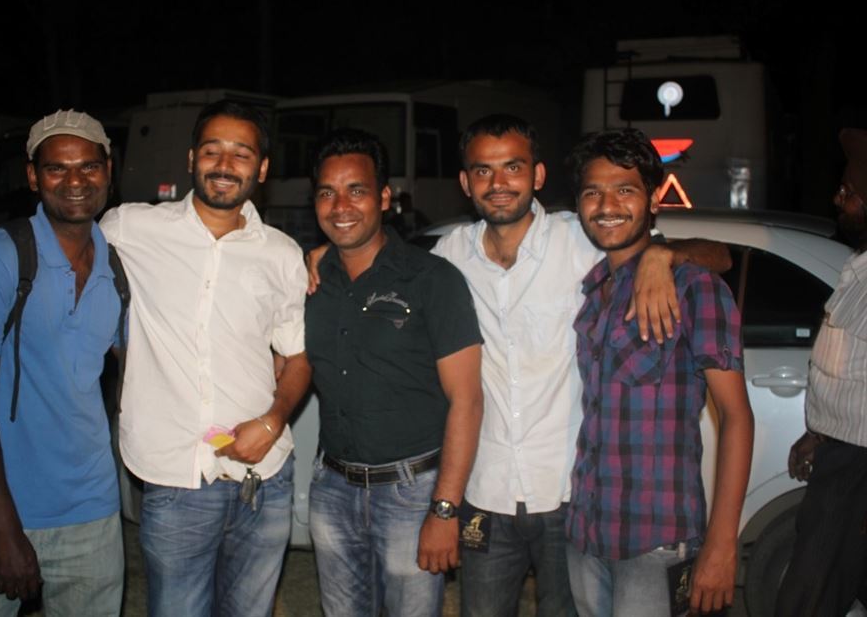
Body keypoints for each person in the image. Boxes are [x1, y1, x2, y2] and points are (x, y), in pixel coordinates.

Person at [430, 115, 731, 617]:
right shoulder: (449, 255)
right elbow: (391, 272)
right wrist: (327, 256)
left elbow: (717, 256)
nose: (498, 183)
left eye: (513, 167)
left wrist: (662, 254)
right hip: (487, 488)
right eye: (483, 170)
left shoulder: (580, 237)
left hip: (569, 493)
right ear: (465, 182)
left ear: (538, 175)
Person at [99, 100, 311, 617]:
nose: (225, 164)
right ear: (193, 157)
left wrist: (273, 421)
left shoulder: (282, 254)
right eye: (213, 150)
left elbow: (299, 355)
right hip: (176, 477)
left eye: (242, 154)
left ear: (262, 168)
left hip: (264, 476)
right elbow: (60, 248)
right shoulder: (130, 228)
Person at [0, 110, 124, 616]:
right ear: (33, 177)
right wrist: (6, 531)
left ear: (109, 171)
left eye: (89, 166)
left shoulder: (117, 266)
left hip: (93, 512)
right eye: (57, 168)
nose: (75, 181)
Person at [564, 128, 754, 616]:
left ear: (652, 199)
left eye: (624, 190)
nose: (607, 205)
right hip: (586, 532)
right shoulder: (594, 292)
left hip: (657, 539)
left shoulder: (693, 287)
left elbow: (736, 417)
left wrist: (722, 544)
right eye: (592, 192)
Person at [305, 128, 484, 616]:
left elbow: (467, 399)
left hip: (412, 494)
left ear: (384, 198)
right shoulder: (311, 281)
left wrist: (444, 509)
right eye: (327, 192)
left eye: (356, 190)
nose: (341, 206)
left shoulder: (433, 279)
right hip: (332, 489)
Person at [776, 127, 867, 616]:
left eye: (848, 192)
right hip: (843, 454)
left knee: (808, 596)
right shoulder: (860, 268)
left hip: (857, 467)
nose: (838, 199)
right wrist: (819, 434)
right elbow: (848, 372)